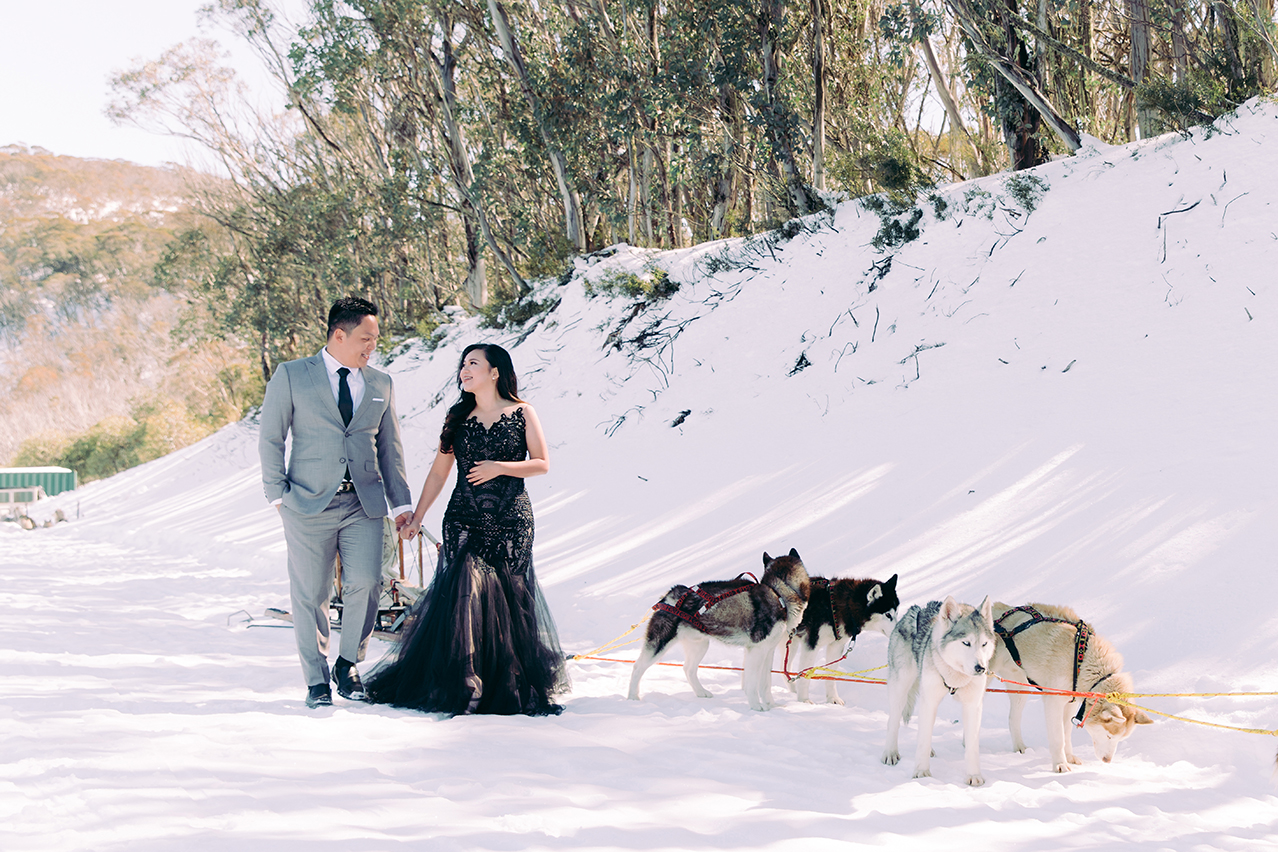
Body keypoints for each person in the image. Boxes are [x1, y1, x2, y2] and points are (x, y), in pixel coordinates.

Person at [365, 343, 569, 716]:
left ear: (494, 372)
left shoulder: (522, 412)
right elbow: (440, 471)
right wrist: (417, 515)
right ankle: (465, 682)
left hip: (511, 519)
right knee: (464, 595)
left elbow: (542, 463)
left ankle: (506, 684)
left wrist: (500, 467)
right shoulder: (457, 417)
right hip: (464, 517)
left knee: (509, 599)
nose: (464, 369)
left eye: (473, 363)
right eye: (463, 364)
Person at [258, 296, 414, 709]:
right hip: (306, 503)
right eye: (366, 338)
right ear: (339, 335)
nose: (372, 347)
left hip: (364, 503)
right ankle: (315, 680)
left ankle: (348, 664)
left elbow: (390, 450)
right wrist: (278, 495)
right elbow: (272, 437)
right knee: (311, 594)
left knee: (367, 582)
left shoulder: (381, 383)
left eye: (376, 340)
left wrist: (401, 505)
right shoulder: (292, 375)